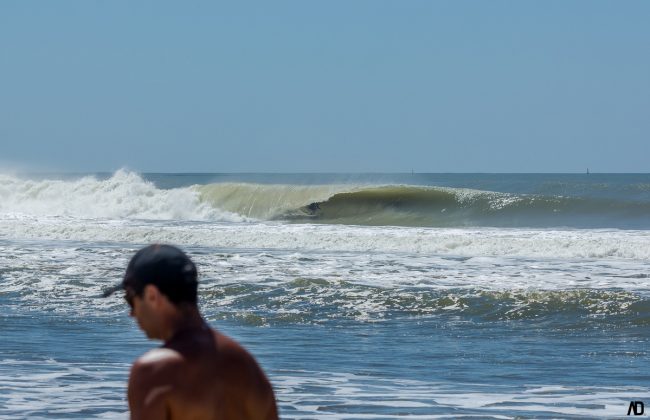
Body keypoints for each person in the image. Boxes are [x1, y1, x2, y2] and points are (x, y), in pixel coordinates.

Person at [104, 244, 278, 420]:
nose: (131, 313)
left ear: (152, 296)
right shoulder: (248, 368)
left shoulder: (156, 371)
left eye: (130, 299)